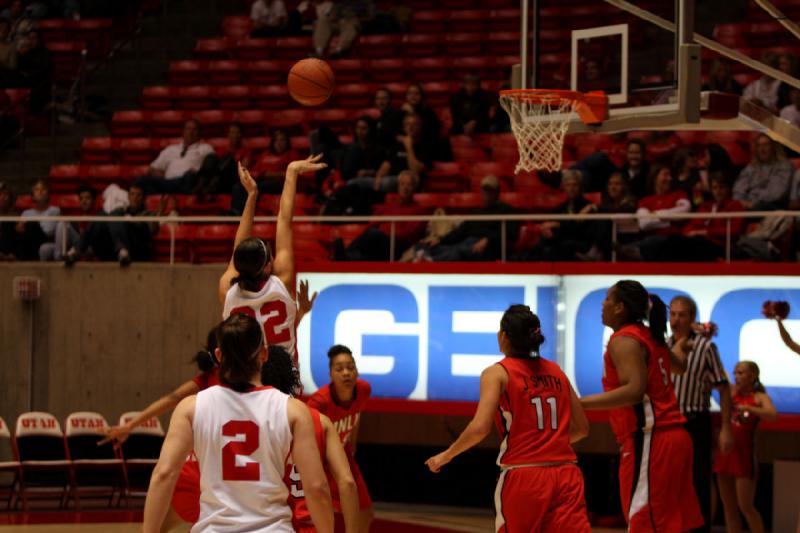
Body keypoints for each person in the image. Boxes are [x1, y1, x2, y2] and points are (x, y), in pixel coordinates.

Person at [142, 314, 334, 533]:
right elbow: (317, 488)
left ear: (219, 355)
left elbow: (164, 474)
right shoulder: (293, 410)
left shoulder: (191, 408)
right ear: (264, 353)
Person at [425, 305, 591, 533]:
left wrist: (447, 455)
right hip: (567, 474)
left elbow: (480, 428)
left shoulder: (497, 372)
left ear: (503, 336)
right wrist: (549, 443)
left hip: (525, 475)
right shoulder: (557, 371)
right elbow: (581, 428)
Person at [580, 280, 703, 532]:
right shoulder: (649, 335)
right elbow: (680, 365)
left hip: (651, 440)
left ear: (620, 308)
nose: (602, 304)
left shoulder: (624, 340)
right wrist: (679, 346)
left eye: (607, 299)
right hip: (674, 438)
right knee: (669, 524)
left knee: (643, 523)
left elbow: (634, 391)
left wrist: (579, 403)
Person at [219, 156, 327, 366]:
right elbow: (285, 221)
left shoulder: (227, 289)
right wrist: (291, 172)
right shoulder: (281, 283)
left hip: (245, 380)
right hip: (281, 381)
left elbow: (239, 247)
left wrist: (252, 195)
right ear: (268, 265)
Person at [263, 343, 359, 533]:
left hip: (269, 525)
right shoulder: (320, 421)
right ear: (292, 376)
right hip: (312, 525)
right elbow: (347, 482)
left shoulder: (253, 425)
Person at [668, 295, 734, 533]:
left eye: (681, 315)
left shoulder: (705, 347)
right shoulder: (664, 345)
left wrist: (726, 427)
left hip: (695, 421)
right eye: (672, 314)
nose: (676, 320)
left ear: (692, 318)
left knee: (697, 483)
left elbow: (723, 387)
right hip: (668, 424)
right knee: (668, 483)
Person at [307, 344, 373, 533]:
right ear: (330, 375)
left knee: (366, 513)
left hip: (344, 456)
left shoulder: (364, 390)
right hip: (322, 463)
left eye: (350, 367)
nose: (346, 373)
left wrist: (352, 445)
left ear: (357, 371)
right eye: (339, 369)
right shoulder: (319, 402)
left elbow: (357, 415)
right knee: (323, 519)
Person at [714, 361, 777, 533]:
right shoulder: (731, 391)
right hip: (725, 453)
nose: (737, 376)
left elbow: (772, 414)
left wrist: (749, 407)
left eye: (741, 373)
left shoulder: (759, 397)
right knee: (729, 508)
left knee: (746, 507)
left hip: (744, 456)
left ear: (752, 376)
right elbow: (721, 371)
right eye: (736, 373)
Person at [415, 175, 517, 262]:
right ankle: (426, 258)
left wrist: (489, 240)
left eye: (490, 190)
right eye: (485, 189)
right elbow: (460, 231)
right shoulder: (476, 212)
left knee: (458, 252)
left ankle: (428, 262)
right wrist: (439, 240)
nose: (487, 193)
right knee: (424, 244)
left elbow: (511, 234)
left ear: (497, 192)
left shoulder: (507, 211)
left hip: (486, 248)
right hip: (464, 243)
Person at [332, 170, 428, 261]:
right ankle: (346, 257)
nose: (405, 188)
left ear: (415, 188)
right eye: (402, 184)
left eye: (409, 185)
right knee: (368, 252)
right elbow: (372, 224)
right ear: (398, 186)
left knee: (374, 234)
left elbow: (409, 234)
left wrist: (385, 233)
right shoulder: (389, 205)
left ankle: (345, 253)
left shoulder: (419, 210)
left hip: (398, 245)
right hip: (379, 242)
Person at [64, 184, 165, 266]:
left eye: (138, 195)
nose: (135, 198)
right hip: (114, 252)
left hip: (137, 251)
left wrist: (158, 217)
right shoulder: (121, 211)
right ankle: (76, 251)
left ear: (143, 199)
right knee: (102, 215)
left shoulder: (148, 214)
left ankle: (123, 249)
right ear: (128, 197)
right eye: (132, 194)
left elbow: (153, 230)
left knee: (114, 215)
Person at [346, 113, 434, 193]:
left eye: (414, 124)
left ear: (420, 127)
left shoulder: (425, 145)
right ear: (403, 127)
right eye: (407, 124)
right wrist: (378, 178)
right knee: (352, 183)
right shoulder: (397, 145)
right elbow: (386, 164)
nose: (410, 127)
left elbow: (416, 170)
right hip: (390, 179)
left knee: (386, 183)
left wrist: (409, 147)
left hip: (410, 182)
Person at [519, 171, 593, 261]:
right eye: (568, 185)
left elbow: (579, 230)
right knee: (544, 243)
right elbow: (551, 223)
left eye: (575, 185)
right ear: (564, 187)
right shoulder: (560, 208)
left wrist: (559, 225)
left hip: (580, 243)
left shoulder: (588, 207)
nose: (571, 188)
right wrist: (547, 230)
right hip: (560, 242)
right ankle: (525, 262)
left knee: (557, 247)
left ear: (581, 187)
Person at [134, 119, 217, 196]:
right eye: (188, 129)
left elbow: (211, 167)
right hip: (168, 182)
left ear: (199, 132)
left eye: (194, 129)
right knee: (143, 180)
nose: (191, 132)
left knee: (190, 176)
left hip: (188, 180)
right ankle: (156, 206)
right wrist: (163, 176)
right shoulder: (171, 149)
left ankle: (181, 199)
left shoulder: (206, 148)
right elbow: (152, 168)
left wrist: (198, 173)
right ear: (183, 132)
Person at [231, 129, 299, 215]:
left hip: (279, 183)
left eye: (282, 140)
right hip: (262, 180)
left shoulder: (292, 154)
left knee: (256, 187)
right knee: (237, 186)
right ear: (273, 143)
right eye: (276, 140)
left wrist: (272, 175)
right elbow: (253, 172)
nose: (279, 143)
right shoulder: (265, 155)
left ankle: (246, 214)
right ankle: (235, 213)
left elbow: (292, 173)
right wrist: (263, 174)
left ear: (287, 142)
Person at [577, 172, 639, 261]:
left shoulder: (631, 201)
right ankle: (594, 250)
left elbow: (620, 212)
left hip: (626, 238)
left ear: (624, 187)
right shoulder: (607, 204)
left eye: (617, 184)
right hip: (608, 238)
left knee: (603, 219)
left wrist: (594, 207)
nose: (613, 188)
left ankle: (595, 252)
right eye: (610, 184)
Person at [733, 133, 793, 211]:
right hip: (749, 205)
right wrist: (742, 202)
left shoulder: (784, 166)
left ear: (774, 147)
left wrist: (753, 202)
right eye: (759, 145)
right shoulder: (751, 168)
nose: (762, 149)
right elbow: (738, 191)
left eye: (766, 145)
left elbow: (776, 194)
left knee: (761, 206)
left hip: (772, 206)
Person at [41, 183, 96, 262]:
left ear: (93, 200)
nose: (84, 201)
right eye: (81, 199)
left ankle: (59, 258)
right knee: (44, 249)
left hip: (87, 247)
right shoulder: (76, 217)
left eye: (87, 198)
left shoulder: (98, 217)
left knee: (62, 224)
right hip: (71, 247)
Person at [16, 179, 60, 261]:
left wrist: (30, 225)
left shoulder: (55, 210)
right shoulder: (26, 213)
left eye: (43, 189)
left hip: (45, 240)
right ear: (32, 195)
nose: (40, 191)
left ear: (48, 194)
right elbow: (19, 230)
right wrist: (20, 228)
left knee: (31, 225)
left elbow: (49, 231)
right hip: (27, 241)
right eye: (36, 189)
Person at [0, 181, 20, 260]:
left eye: (5, 194)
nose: (2, 197)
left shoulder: (15, 216)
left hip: (10, 253)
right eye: (0, 194)